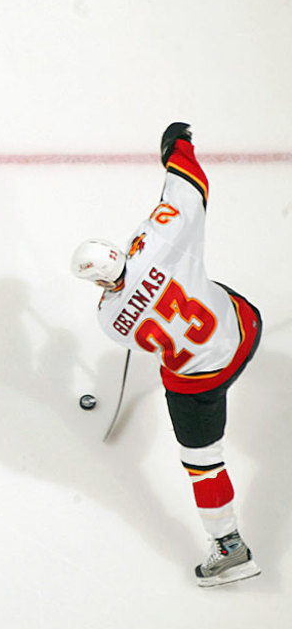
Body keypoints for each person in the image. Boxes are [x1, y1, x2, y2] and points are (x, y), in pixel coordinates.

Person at [71, 122, 263, 587]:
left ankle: (229, 546)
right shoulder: (158, 242)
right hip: (243, 329)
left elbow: (137, 335)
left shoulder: (109, 318)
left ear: (98, 282)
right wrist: (176, 146)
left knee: (204, 463)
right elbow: (190, 187)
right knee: (207, 290)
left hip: (201, 382)